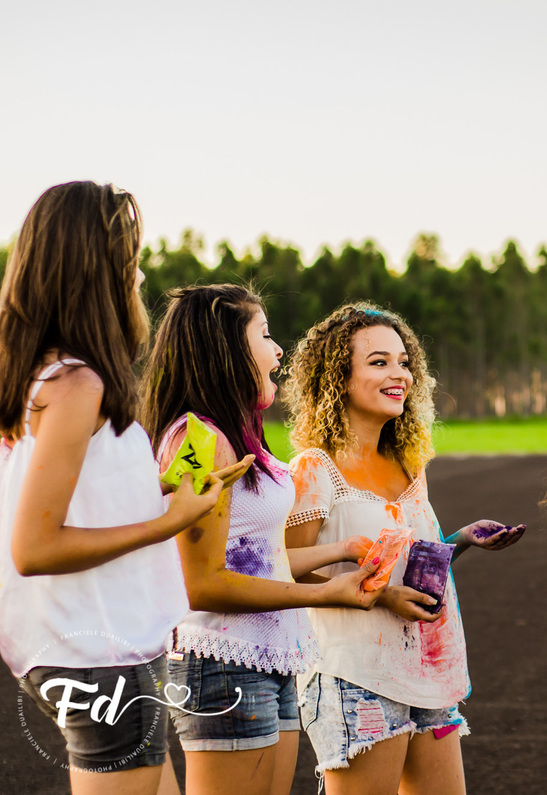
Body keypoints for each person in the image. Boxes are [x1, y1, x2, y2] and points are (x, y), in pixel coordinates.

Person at [0, 182, 246, 794]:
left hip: (91, 649)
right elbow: (34, 546)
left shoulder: (43, 376)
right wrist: (171, 518)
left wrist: (158, 488)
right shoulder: (77, 384)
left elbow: (68, 491)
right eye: (131, 261)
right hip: (100, 655)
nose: (139, 277)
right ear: (98, 271)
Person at [141, 285, 385, 795]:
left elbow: (259, 556)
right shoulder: (196, 440)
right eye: (265, 335)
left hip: (270, 659)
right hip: (222, 662)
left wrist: (341, 551)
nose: (278, 351)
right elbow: (200, 584)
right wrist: (324, 593)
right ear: (226, 347)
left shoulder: (240, 433)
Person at [283, 302, 524, 795]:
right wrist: (379, 596)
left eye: (403, 362)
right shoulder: (314, 468)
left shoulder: (409, 463)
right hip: (355, 677)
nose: (400, 374)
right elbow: (287, 573)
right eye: (378, 362)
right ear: (337, 377)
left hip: (425, 673)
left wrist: (459, 540)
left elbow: (409, 566)